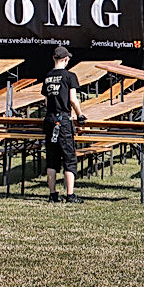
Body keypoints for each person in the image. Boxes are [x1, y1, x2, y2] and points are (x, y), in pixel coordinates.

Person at [42, 45, 85, 204]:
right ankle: (70, 195)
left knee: (52, 158)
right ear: (66, 59)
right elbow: (73, 99)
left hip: (50, 119)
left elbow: (46, 101)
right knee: (69, 157)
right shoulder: (69, 76)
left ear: (54, 58)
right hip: (64, 120)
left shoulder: (47, 77)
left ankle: (53, 194)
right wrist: (80, 115)